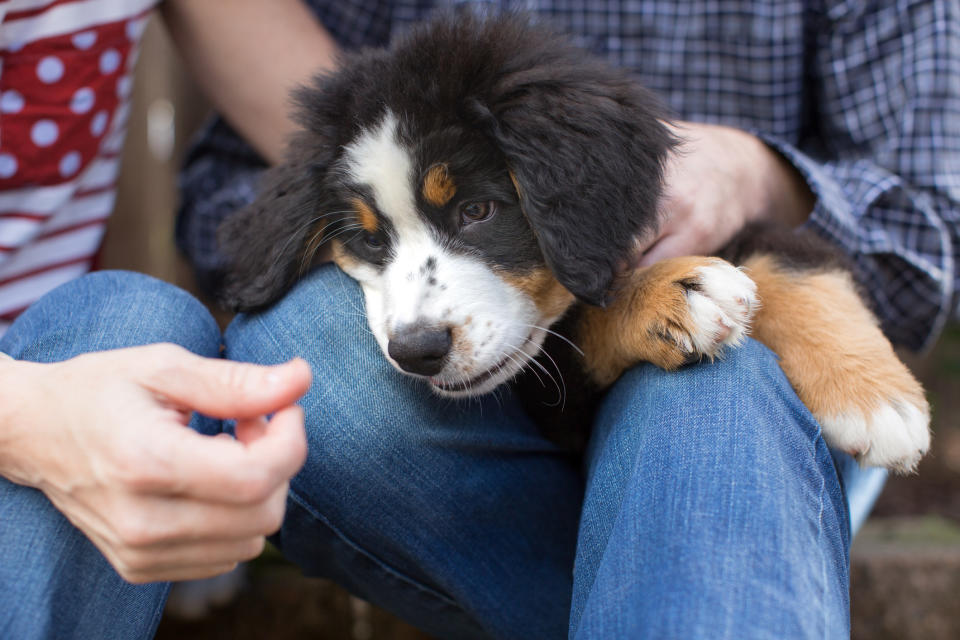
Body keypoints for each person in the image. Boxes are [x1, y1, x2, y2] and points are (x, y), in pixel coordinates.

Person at [2, 1, 958, 639]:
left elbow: (933, 235)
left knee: (716, 386)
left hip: (728, 407)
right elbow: (247, 224)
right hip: (468, 457)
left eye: (472, 214)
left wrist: (755, 171)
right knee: (292, 351)